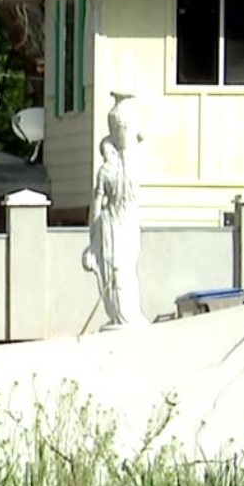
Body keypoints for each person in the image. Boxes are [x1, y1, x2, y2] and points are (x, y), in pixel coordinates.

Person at [83, 93, 144, 327]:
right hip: (114, 226)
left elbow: (96, 207)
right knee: (119, 271)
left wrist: (92, 235)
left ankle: (127, 314)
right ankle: (123, 315)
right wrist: (93, 238)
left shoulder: (127, 167)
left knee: (125, 269)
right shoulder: (112, 171)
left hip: (123, 223)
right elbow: (97, 205)